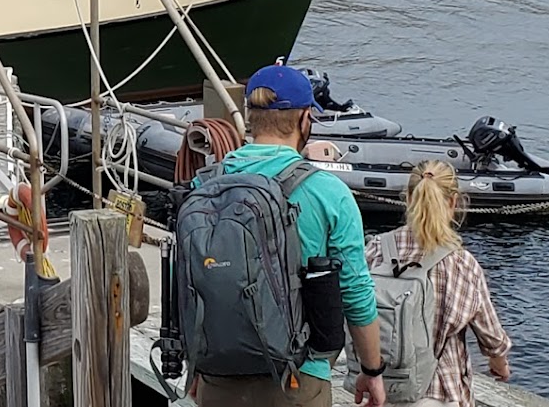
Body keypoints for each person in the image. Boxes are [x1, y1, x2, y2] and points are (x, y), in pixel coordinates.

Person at [193, 64, 385, 407]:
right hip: (299, 378)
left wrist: (195, 367)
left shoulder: (205, 185)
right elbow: (355, 292)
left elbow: (191, 280)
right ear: (304, 120)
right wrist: (372, 370)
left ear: (250, 117)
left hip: (216, 374)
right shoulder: (329, 193)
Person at [365, 161, 512, 407]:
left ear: (409, 197)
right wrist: (499, 363)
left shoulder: (376, 249)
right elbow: (491, 334)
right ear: (454, 202)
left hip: (383, 388)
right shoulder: (462, 263)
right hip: (442, 391)